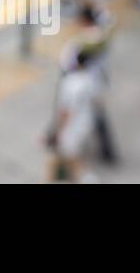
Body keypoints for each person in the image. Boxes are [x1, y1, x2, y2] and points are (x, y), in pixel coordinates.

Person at [59, 4, 117, 165]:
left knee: (77, 117)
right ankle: (108, 151)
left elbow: (66, 62)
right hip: (98, 82)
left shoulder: (82, 43)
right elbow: (109, 18)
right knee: (99, 117)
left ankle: (76, 155)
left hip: (84, 83)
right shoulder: (102, 36)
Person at [48, 47, 102, 182]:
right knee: (69, 156)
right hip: (87, 122)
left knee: (68, 158)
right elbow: (97, 102)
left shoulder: (70, 83)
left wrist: (58, 130)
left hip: (72, 127)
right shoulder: (91, 79)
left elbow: (65, 112)